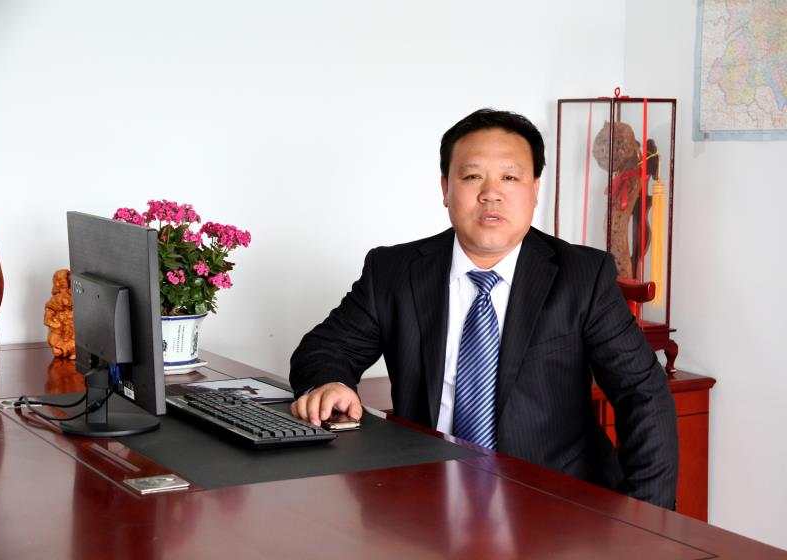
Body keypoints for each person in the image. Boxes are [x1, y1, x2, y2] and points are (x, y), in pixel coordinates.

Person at [289, 108, 678, 509]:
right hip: (427, 499)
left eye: (510, 177)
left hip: (555, 506)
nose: (491, 193)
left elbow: (643, 394)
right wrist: (329, 381)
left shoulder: (582, 276)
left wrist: (648, 523)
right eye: (472, 176)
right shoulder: (394, 272)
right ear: (445, 187)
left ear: (535, 189)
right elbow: (323, 349)